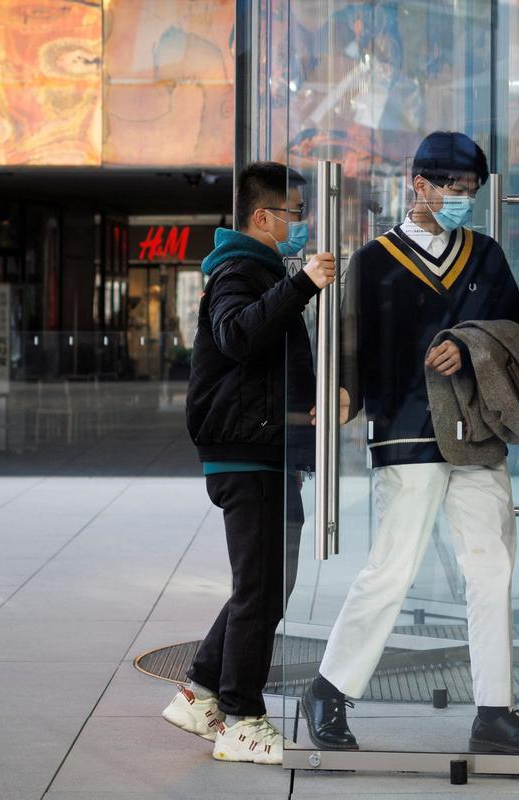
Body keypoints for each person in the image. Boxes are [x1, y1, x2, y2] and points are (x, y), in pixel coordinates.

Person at [301, 131, 519, 754]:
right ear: (419, 185)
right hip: (406, 431)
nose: (461, 199)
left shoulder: (486, 256)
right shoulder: (373, 261)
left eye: (470, 190)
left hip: (478, 435)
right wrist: (346, 394)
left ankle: (493, 710)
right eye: (451, 188)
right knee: (392, 569)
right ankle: (329, 689)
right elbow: (350, 344)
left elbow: (517, 334)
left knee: (492, 571)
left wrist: (470, 346)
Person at [162, 161, 337, 765]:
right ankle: (241, 716)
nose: (302, 225)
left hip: (265, 449)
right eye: (295, 213)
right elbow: (237, 335)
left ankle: (201, 691)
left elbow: (269, 359)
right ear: (263, 217)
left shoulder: (259, 269)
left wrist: (314, 398)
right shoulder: (241, 269)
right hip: (247, 452)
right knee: (263, 586)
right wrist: (304, 284)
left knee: (264, 584)